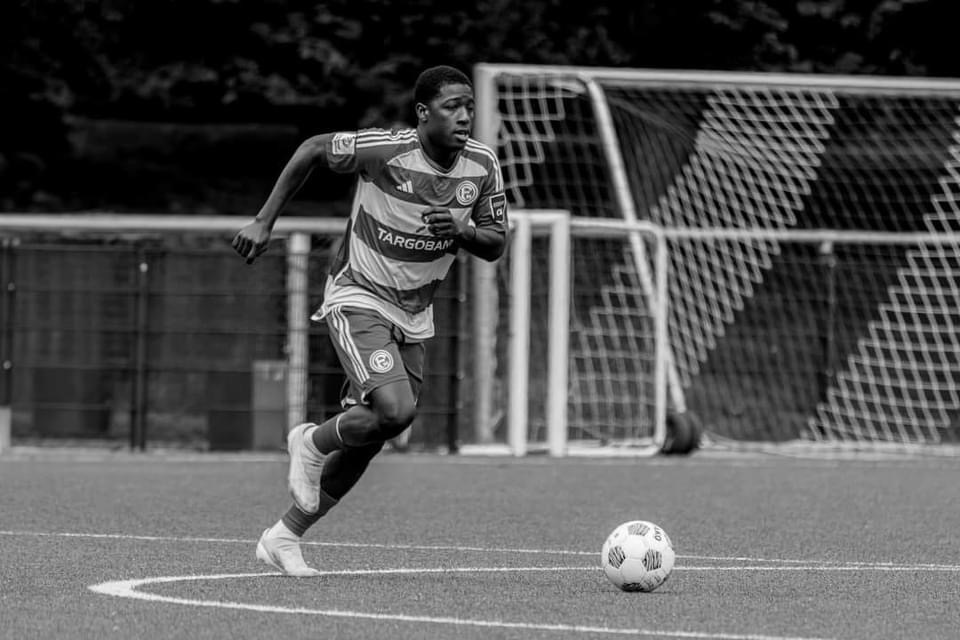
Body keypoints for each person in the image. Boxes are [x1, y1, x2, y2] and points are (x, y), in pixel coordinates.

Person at [232, 65, 508, 577]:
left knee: (373, 435)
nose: (464, 116)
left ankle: (284, 536)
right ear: (423, 113)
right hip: (358, 295)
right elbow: (313, 148)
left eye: (469, 106)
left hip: (414, 315)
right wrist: (264, 221)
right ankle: (310, 442)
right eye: (452, 106)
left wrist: (463, 231)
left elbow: (495, 243)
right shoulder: (386, 150)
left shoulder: (482, 165)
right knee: (396, 411)